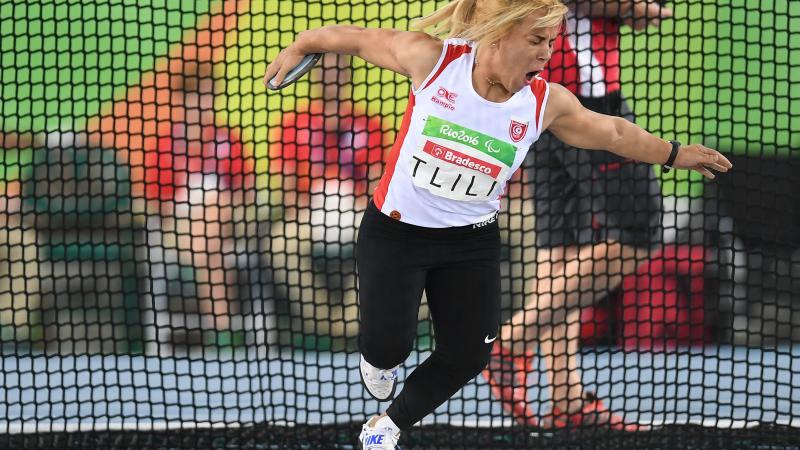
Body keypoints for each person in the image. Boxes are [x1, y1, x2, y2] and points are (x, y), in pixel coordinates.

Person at [264, 0, 730, 448]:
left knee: (467, 355)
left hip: (470, 245)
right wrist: (302, 44)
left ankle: (387, 426)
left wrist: (674, 154)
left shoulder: (546, 102)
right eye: (536, 40)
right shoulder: (432, 59)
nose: (547, 53)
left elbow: (613, 132)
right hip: (395, 233)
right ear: (499, 35)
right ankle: (380, 359)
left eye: (551, 41)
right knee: (388, 348)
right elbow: (357, 39)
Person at [481, 0, 674, 430]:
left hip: (542, 103)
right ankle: (511, 343)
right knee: (639, 233)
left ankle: (567, 401)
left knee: (561, 252)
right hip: (583, 105)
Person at [266, 53, 388, 344]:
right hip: (311, 213)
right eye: (326, 71)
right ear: (315, 76)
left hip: (355, 210)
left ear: (347, 77)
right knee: (281, 241)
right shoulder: (294, 124)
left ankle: (347, 323)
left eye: (338, 71)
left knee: (384, 244)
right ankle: (320, 320)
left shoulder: (367, 124)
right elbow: (287, 186)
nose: (332, 78)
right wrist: (306, 206)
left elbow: (376, 183)